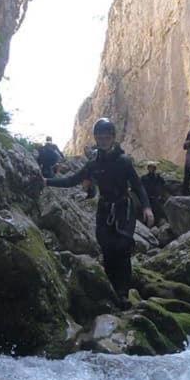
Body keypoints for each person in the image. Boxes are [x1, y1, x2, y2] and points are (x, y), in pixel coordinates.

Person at [45, 118, 154, 307]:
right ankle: (113, 289)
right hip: (104, 209)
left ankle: (123, 294)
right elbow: (72, 180)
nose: (103, 140)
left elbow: (138, 186)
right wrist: (47, 181)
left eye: (107, 137)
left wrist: (147, 208)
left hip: (123, 209)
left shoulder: (124, 161)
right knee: (107, 248)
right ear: (96, 138)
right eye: (100, 137)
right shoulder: (93, 163)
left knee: (122, 249)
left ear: (113, 137)